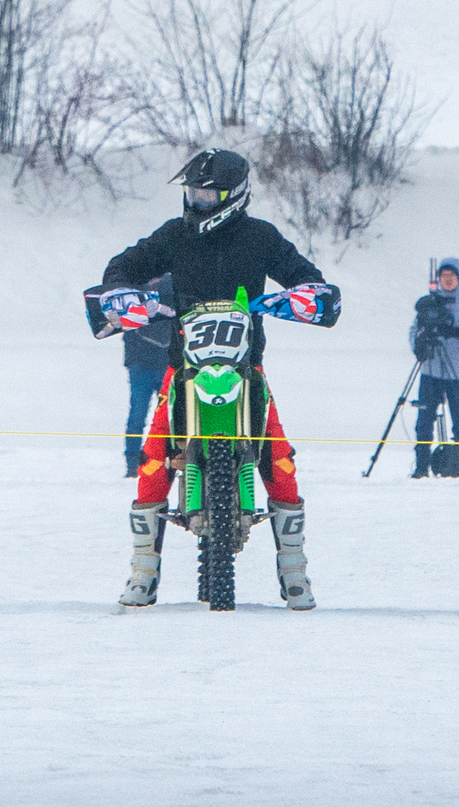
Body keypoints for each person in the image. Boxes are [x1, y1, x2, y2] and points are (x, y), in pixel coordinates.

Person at [95, 148, 340, 612]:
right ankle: (143, 570)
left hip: (247, 368)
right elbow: (129, 260)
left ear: (234, 194)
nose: (199, 200)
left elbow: (304, 274)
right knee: (152, 456)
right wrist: (119, 288)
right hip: (182, 366)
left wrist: (309, 294)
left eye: (208, 192)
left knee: (279, 456)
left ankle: (294, 570)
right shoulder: (174, 234)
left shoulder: (260, 237)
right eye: (194, 192)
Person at [408, 257, 459, 478]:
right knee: (424, 421)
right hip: (430, 370)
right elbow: (415, 329)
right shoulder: (428, 303)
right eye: (444, 275)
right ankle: (421, 467)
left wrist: (456, 332)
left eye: (452, 275)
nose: (448, 280)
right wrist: (419, 346)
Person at [117, 273, 173, 478]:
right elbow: (118, 320)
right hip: (141, 363)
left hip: (162, 363)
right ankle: (133, 463)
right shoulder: (132, 290)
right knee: (138, 415)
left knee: (168, 416)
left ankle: (169, 460)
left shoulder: (169, 287)